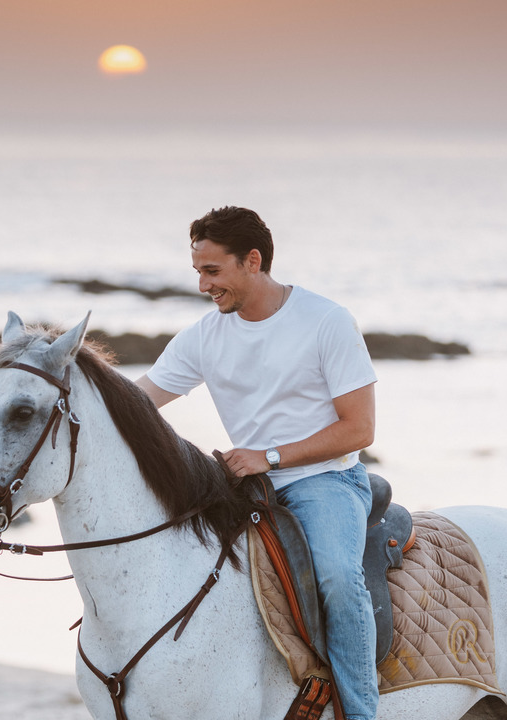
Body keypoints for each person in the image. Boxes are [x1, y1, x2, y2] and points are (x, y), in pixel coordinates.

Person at [135, 206, 379, 720]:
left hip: (326, 480)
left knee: (338, 577)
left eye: (213, 271)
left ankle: (360, 713)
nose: (203, 285)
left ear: (252, 261)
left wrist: (268, 456)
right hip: (244, 484)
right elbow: (137, 404)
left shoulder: (325, 321)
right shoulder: (204, 336)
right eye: (198, 272)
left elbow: (358, 430)